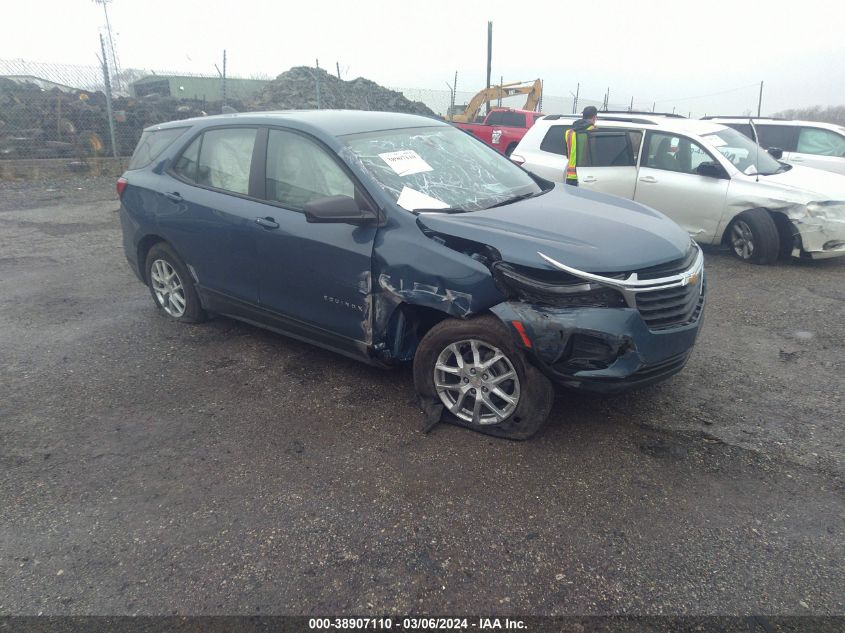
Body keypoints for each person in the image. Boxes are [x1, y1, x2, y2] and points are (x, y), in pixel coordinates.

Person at [564, 106, 598, 186]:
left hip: (570, 175)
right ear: (594, 117)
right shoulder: (593, 132)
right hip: (586, 175)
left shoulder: (569, 132)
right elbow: (594, 153)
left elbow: (568, 153)